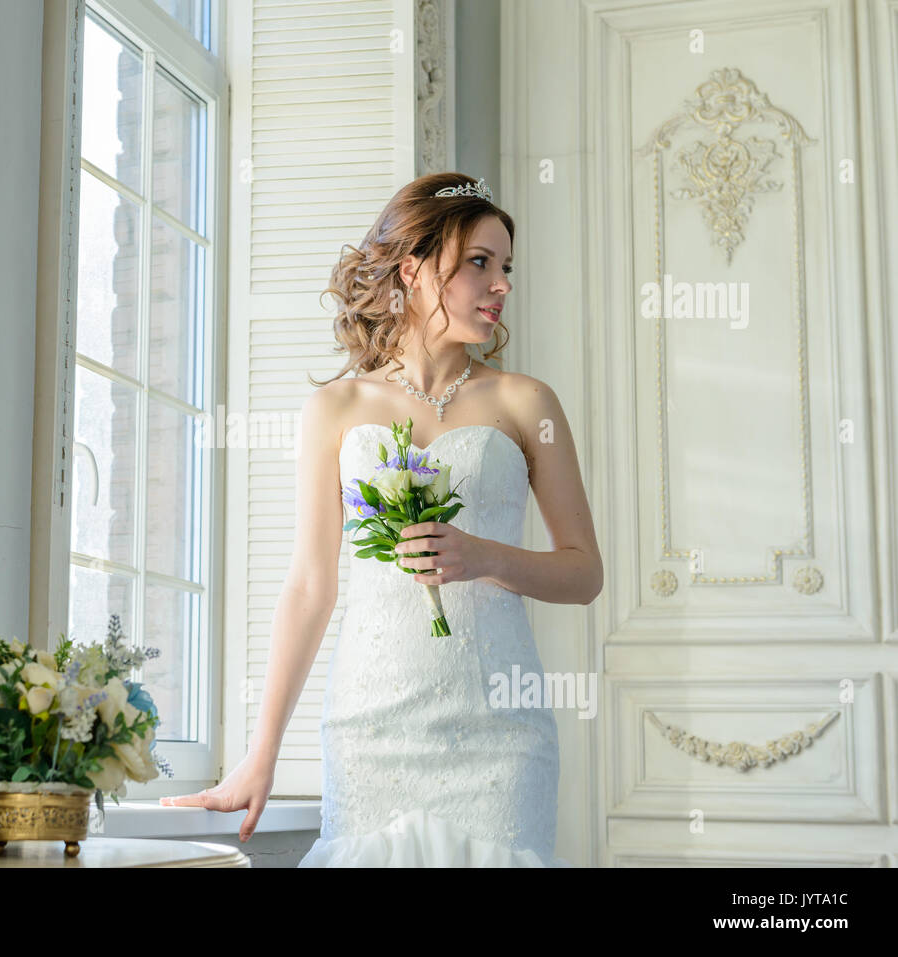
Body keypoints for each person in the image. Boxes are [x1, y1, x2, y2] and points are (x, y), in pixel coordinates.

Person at [160, 173, 602, 866]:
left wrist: (483, 556)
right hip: (371, 723)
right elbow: (310, 586)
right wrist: (260, 756)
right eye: (480, 262)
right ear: (414, 269)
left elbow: (583, 571)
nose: (502, 284)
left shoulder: (525, 401)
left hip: (501, 731)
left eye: (506, 266)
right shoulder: (336, 407)